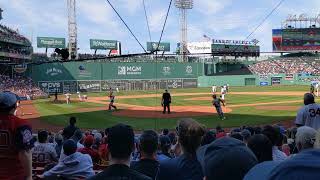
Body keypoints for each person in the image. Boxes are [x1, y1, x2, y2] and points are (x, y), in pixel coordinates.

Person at [0, 92, 34, 180]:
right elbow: (25, 153)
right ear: (15, 106)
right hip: (15, 174)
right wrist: (29, 176)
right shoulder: (21, 124)